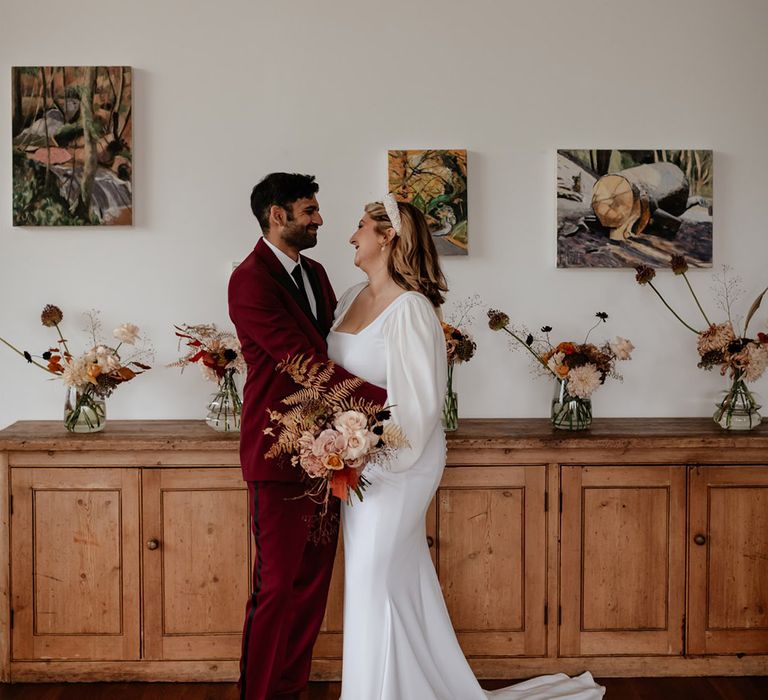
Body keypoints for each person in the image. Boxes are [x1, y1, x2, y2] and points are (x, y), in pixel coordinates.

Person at [327, 194, 606, 700]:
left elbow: (420, 403)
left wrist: (368, 446)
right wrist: (336, 441)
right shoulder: (349, 297)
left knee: (374, 580)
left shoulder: (411, 308)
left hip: (396, 462)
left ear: (388, 236)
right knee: (384, 580)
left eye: (361, 227)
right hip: (355, 461)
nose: (352, 236)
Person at [228, 173, 387, 700]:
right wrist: (385, 401)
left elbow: (334, 350)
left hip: (332, 452)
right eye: (309, 210)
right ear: (278, 215)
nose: (320, 219)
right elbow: (301, 363)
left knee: (313, 584)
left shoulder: (317, 273)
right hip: (276, 454)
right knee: (275, 588)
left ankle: (291, 691)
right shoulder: (249, 280)